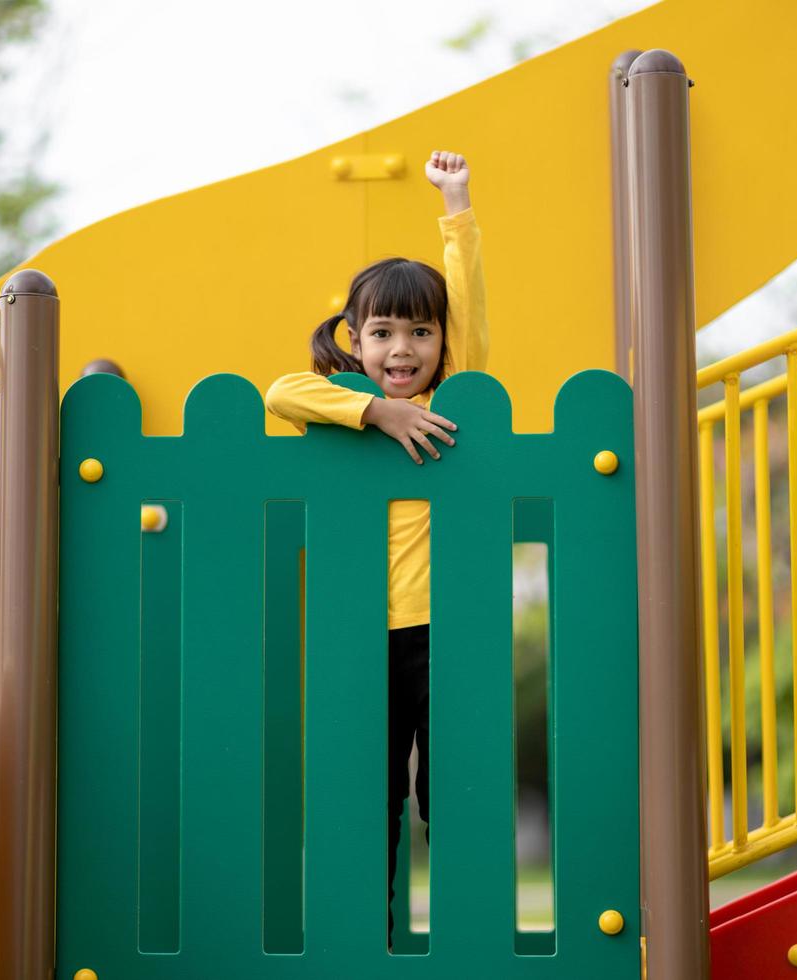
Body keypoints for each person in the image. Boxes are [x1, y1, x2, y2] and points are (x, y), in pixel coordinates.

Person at [264, 149, 486, 947]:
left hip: (445, 634)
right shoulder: (343, 410)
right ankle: (374, 945)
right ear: (354, 340)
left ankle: (463, 940)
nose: (402, 349)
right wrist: (376, 416)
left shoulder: (456, 406)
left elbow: (471, 311)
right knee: (373, 792)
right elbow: (278, 390)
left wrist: (455, 208)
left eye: (420, 333)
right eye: (384, 333)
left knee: (451, 793)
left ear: (440, 342)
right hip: (362, 637)